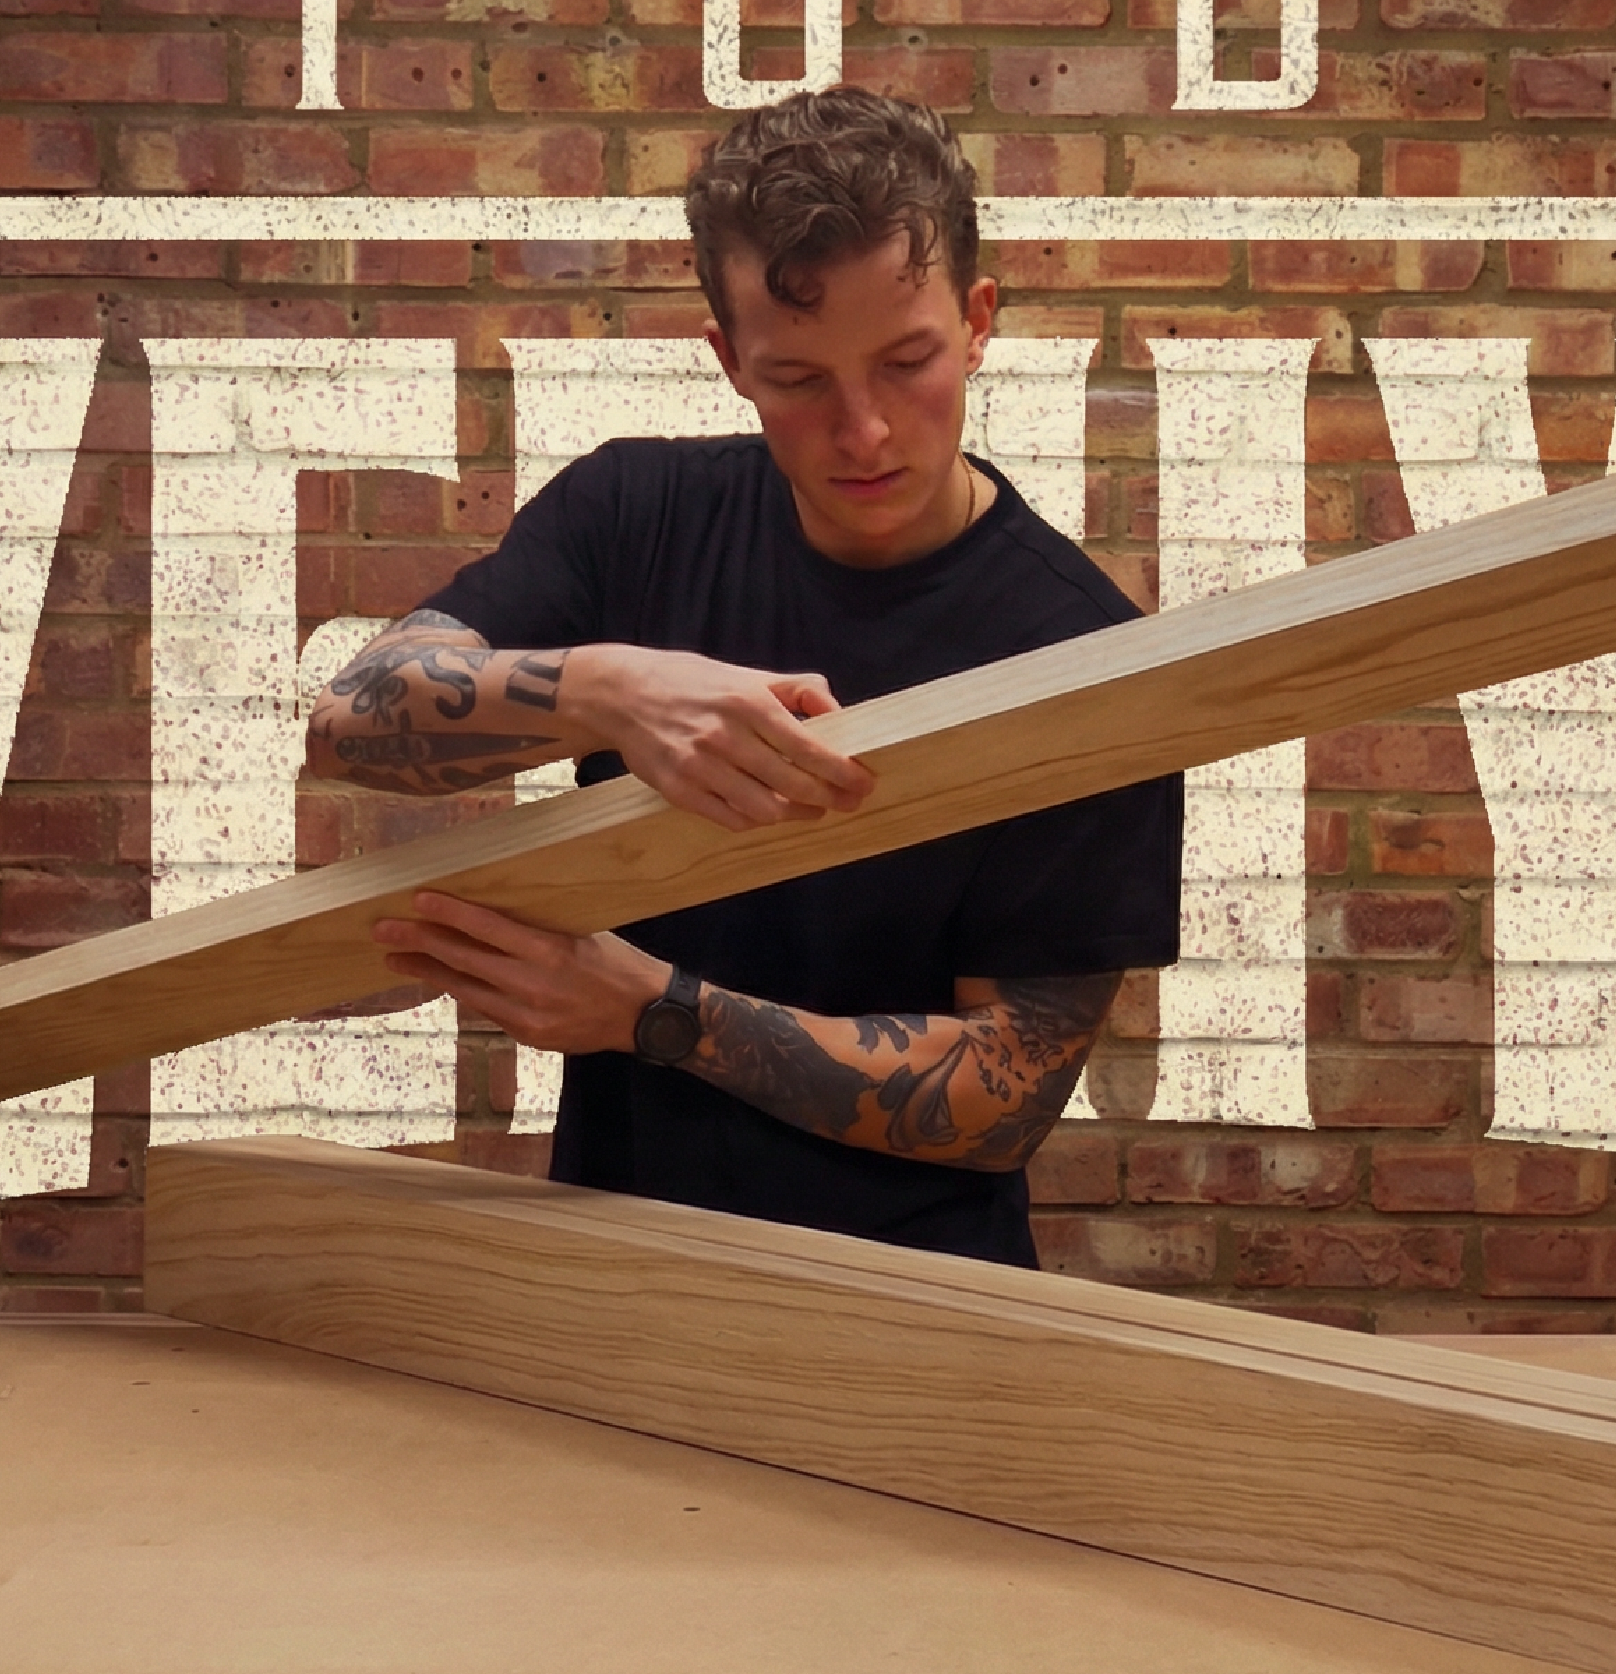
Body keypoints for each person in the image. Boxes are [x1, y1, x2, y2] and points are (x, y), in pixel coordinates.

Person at [305, 86, 1182, 1268]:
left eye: (907, 361)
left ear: (978, 322)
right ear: (728, 358)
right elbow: (350, 723)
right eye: (800, 379)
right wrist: (608, 691)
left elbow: (1001, 1099)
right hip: (609, 1278)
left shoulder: (1083, 659)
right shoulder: (635, 515)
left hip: (912, 1314)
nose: (863, 431)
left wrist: (656, 1015)